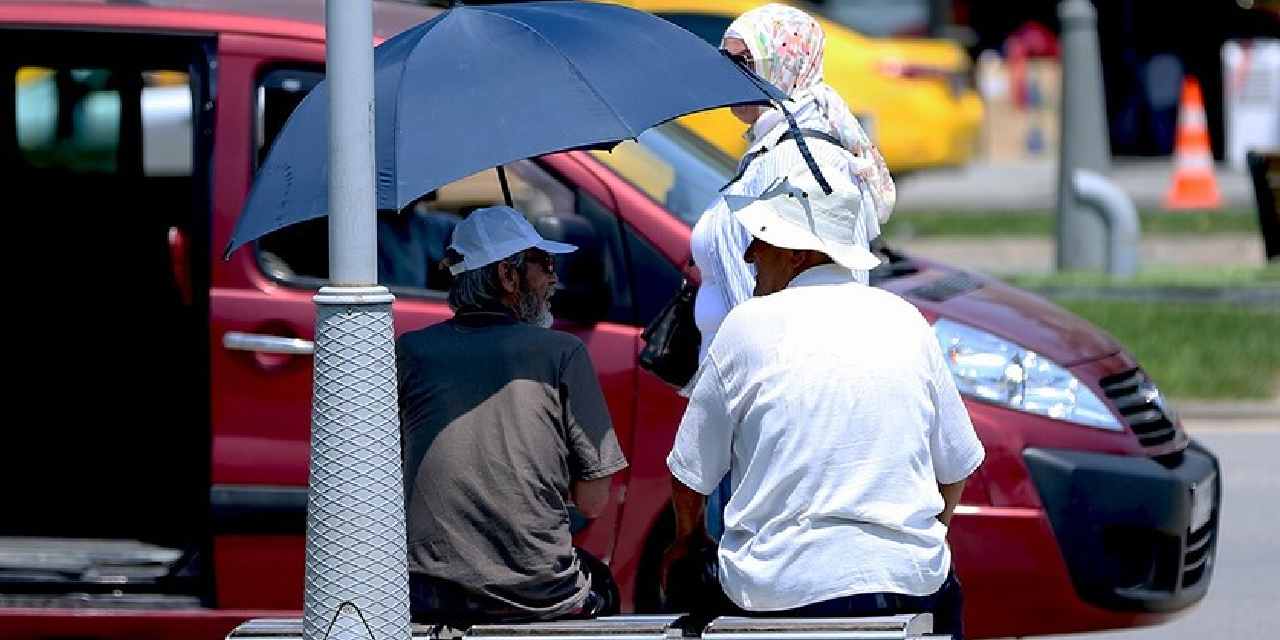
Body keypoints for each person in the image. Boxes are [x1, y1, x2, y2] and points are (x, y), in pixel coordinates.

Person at [662, 170, 983, 638]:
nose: (749, 254)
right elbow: (955, 468)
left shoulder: (746, 327)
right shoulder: (907, 321)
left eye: (760, 239)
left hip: (778, 592)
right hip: (909, 587)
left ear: (797, 253)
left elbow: (689, 476)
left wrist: (687, 543)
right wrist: (909, 546)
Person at [397, 206, 629, 625]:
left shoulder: (411, 352)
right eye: (544, 265)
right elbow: (594, 502)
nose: (555, 279)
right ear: (508, 276)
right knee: (603, 586)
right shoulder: (563, 353)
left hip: (428, 593)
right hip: (539, 593)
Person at [691, 3, 896, 362]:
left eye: (743, 62)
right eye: (724, 61)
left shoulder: (801, 158)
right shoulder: (771, 146)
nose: (729, 74)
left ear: (784, 65)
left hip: (767, 376)